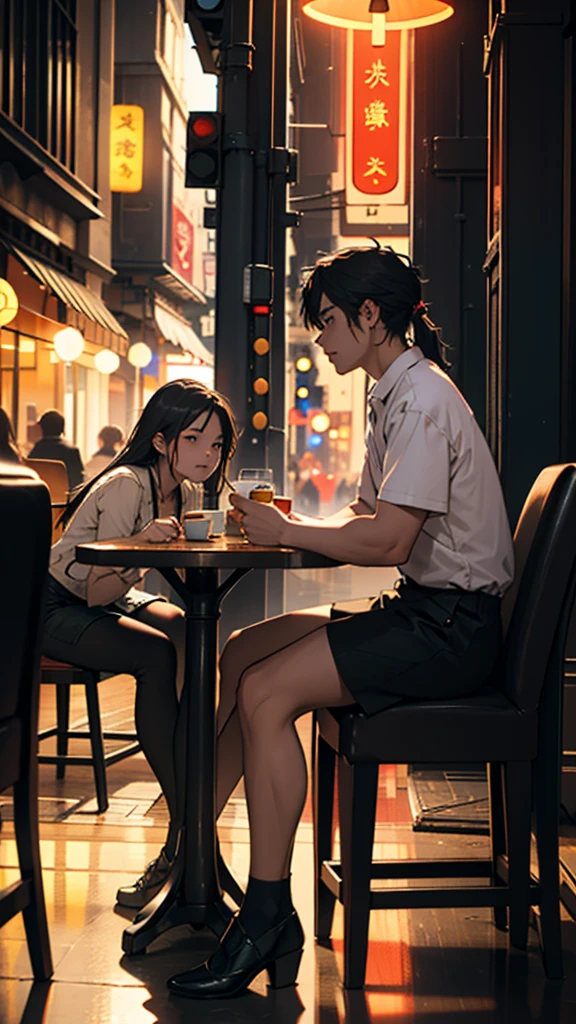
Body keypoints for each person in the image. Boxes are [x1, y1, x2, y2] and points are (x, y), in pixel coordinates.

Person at [167, 244, 514, 999]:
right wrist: (293, 523)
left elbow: (389, 541)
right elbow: (368, 516)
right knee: (244, 649)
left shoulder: (421, 399)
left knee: (263, 692)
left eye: (327, 321)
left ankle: (265, 916)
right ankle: (188, 857)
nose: (320, 338)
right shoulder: (392, 390)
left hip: (450, 630)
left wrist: (287, 533)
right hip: (429, 611)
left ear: (370, 316)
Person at [43, 379, 237, 909]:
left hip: (105, 599)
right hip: (57, 604)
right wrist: (142, 545)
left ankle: (187, 819)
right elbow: (95, 588)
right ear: (161, 439)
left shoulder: (188, 491)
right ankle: (186, 831)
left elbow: (152, 575)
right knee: (157, 654)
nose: (207, 454)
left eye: (216, 444)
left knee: (187, 629)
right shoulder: (129, 484)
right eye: (194, 439)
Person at [29, 409, 85, 491]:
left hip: (40, 497)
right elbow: (78, 482)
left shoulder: (36, 451)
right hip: (64, 500)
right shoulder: (72, 451)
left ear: (42, 428)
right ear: (62, 429)